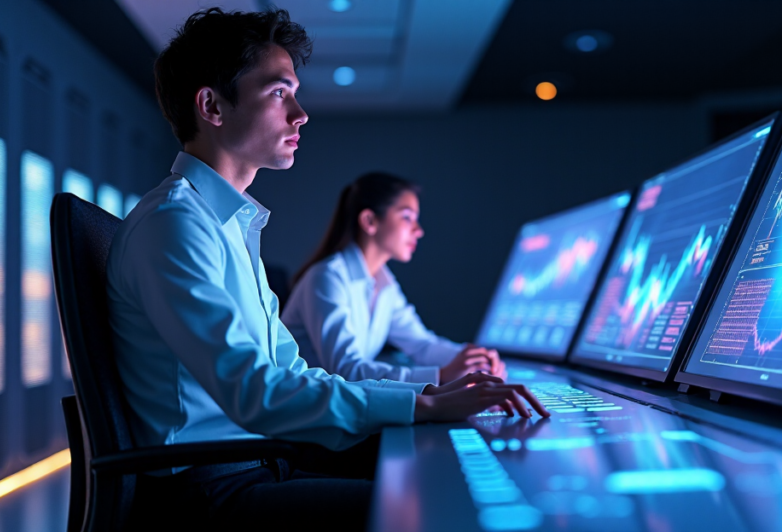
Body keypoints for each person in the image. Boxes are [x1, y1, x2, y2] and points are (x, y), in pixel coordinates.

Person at [105, 8, 547, 530]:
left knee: (451, 467)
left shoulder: (227, 223)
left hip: (260, 459)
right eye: (278, 92)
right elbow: (255, 392)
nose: (300, 113)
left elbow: (291, 375)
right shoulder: (175, 226)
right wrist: (423, 406)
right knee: (439, 507)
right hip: (209, 491)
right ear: (212, 106)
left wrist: (425, 395)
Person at [283, 172, 507, 385]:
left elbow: (421, 344)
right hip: (301, 412)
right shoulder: (327, 277)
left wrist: (474, 358)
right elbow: (345, 369)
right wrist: (441, 375)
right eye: (407, 217)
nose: (419, 230)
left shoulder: (384, 284)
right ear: (370, 221)